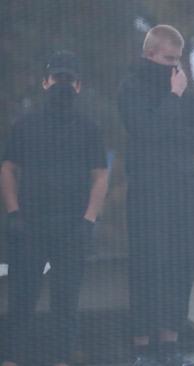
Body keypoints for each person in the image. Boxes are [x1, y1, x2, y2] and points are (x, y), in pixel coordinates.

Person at [0, 51, 109, 366]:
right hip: (30, 225)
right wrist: (14, 213)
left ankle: (60, 361)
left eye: (68, 79)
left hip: (72, 227)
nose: (62, 84)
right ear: (45, 82)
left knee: (66, 302)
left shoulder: (89, 128)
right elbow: (7, 168)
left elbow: (100, 176)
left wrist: (88, 221)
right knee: (21, 299)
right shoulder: (25, 124)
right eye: (57, 77)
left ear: (78, 85)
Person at [117, 25, 194, 366]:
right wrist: (172, 100)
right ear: (150, 54)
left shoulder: (185, 86)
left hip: (182, 188)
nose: (175, 66)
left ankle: (170, 345)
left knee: (178, 263)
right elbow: (146, 131)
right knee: (146, 264)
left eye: (178, 60)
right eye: (168, 58)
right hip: (145, 190)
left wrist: (171, 119)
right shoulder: (131, 86)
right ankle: (142, 348)